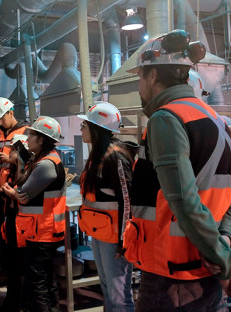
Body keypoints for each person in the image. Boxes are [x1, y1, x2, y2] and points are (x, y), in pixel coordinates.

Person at [122, 29, 231, 311]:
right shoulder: (217, 121)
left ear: (153, 75)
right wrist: (225, 243)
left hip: (170, 281)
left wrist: (226, 263)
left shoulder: (165, 119)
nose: (140, 87)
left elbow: (184, 200)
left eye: (140, 78)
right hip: (204, 277)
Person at [1, 116, 66, 312]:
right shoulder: (42, 160)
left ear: (42, 140)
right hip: (41, 229)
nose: (27, 139)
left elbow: (22, 195)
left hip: (42, 231)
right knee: (45, 277)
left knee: (36, 282)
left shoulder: (46, 164)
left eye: (31, 135)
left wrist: (12, 192)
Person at [77, 102, 137, 312]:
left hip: (113, 238)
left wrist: (124, 240)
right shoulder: (97, 156)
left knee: (119, 294)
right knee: (108, 289)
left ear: (97, 128)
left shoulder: (115, 156)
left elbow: (126, 200)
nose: (81, 128)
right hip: (100, 232)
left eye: (84, 124)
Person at [0, 97, 28, 288]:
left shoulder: (26, 131)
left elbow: (29, 161)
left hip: (13, 191)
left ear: (11, 112)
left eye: (2, 118)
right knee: (0, 233)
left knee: (13, 234)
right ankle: (3, 272)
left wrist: (11, 160)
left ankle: (16, 275)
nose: (0, 122)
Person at [0, 134, 30, 312]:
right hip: (11, 222)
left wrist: (11, 192)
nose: (8, 151)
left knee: (21, 268)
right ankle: (11, 303)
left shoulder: (29, 172)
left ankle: (21, 305)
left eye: (12, 149)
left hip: (24, 226)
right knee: (13, 267)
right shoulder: (13, 170)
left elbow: (24, 196)